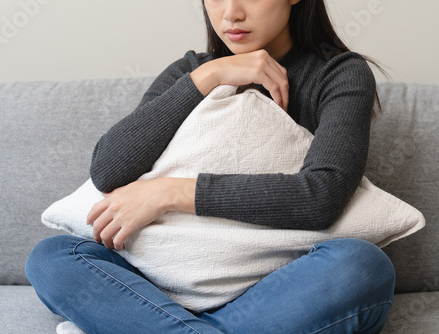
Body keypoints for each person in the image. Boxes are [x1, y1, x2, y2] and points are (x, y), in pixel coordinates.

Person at [26, 0, 396, 333]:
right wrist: (209, 77)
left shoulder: (339, 73)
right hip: (157, 288)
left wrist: (171, 192)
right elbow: (108, 170)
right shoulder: (189, 71)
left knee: (361, 267)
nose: (230, 12)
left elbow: (321, 196)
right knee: (52, 258)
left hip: (272, 295)